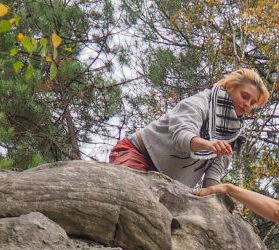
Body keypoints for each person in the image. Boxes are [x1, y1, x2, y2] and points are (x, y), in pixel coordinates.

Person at [109, 68, 269, 189]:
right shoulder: (201, 103)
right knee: (130, 195)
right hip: (138, 154)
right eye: (245, 96)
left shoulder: (234, 133)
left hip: (170, 184)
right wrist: (208, 145)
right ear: (231, 88)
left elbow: (214, 174)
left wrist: (213, 202)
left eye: (252, 102)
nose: (247, 104)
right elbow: (181, 136)